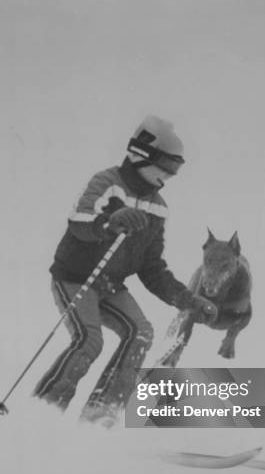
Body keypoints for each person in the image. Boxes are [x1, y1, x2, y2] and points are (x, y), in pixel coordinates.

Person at [33, 116, 217, 426]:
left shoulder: (157, 207)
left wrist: (187, 300)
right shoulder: (107, 183)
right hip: (75, 277)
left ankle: (102, 412)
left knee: (140, 333)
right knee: (89, 340)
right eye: (167, 167)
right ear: (142, 156)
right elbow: (80, 223)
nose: (170, 176)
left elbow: (152, 268)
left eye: (175, 170)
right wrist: (109, 223)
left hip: (110, 284)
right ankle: (44, 412)